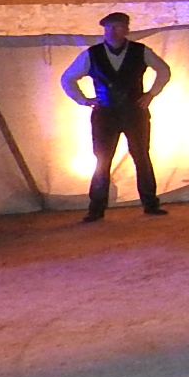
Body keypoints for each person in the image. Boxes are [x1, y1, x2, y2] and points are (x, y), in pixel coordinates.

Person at [60, 12, 172, 221]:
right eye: (109, 27)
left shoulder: (140, 51)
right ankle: (96, 208)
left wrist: (150, 95)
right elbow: (68, 79)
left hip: (134, 112)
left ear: (127, 29)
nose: (112, 31)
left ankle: (150, 203)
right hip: (105, 115)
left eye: (118, 26)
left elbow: (164, 71)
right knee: (102, 161)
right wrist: (84, 100)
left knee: (142, 157)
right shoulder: (91, 54)